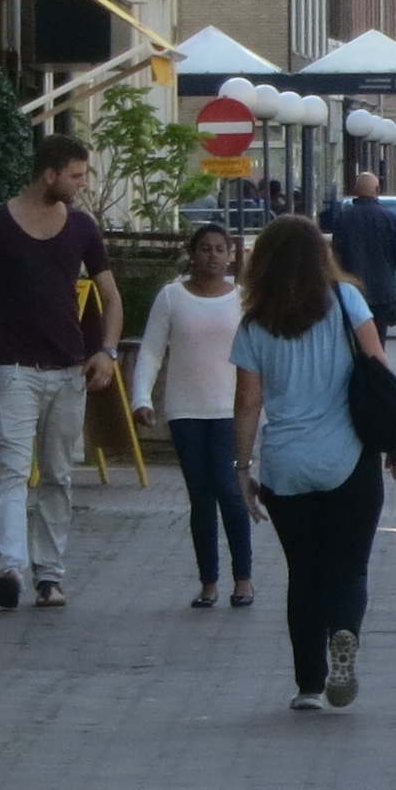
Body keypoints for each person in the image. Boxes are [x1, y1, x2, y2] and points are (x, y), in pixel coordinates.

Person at [231, 215, 396, 712]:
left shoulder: (254, 322)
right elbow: (377, 368)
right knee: (349, 568)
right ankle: (345, 633)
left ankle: (309, 685)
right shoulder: (346, 300)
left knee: (304, 573)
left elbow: (248, 401)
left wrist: (242, 468)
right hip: (349, 456)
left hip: (285, 464)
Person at [0, 134, 123, 612]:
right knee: (12, 470)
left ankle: (49, 575)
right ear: (49, 174)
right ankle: (9, 568)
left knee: (58, 475)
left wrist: (107, 351)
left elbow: (111, 297)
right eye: (76, 175)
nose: (82, 183)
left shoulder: (82, 228)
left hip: (69, 370)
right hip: (13, 369)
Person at [131, 223, 253, 609]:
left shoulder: (242, 299)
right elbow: (152, 350)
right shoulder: (172, 297)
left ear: (229, 256)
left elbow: (259, 354)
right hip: (185, 410)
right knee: (201, 496)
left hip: (229, 410)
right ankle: (208, 582)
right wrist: (141, 398)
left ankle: (243, 579)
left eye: (220, 249)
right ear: (192, 252)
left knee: (228, 488)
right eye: (206, 249)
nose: (213, 256)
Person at [328, 172, 396, 335]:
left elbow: (336, 256)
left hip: (351, 289)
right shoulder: (389, 218)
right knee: (377, 338)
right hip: (382, 293)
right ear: (377, 190)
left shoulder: (344, 218)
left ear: (355, 190)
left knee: (351, 338)